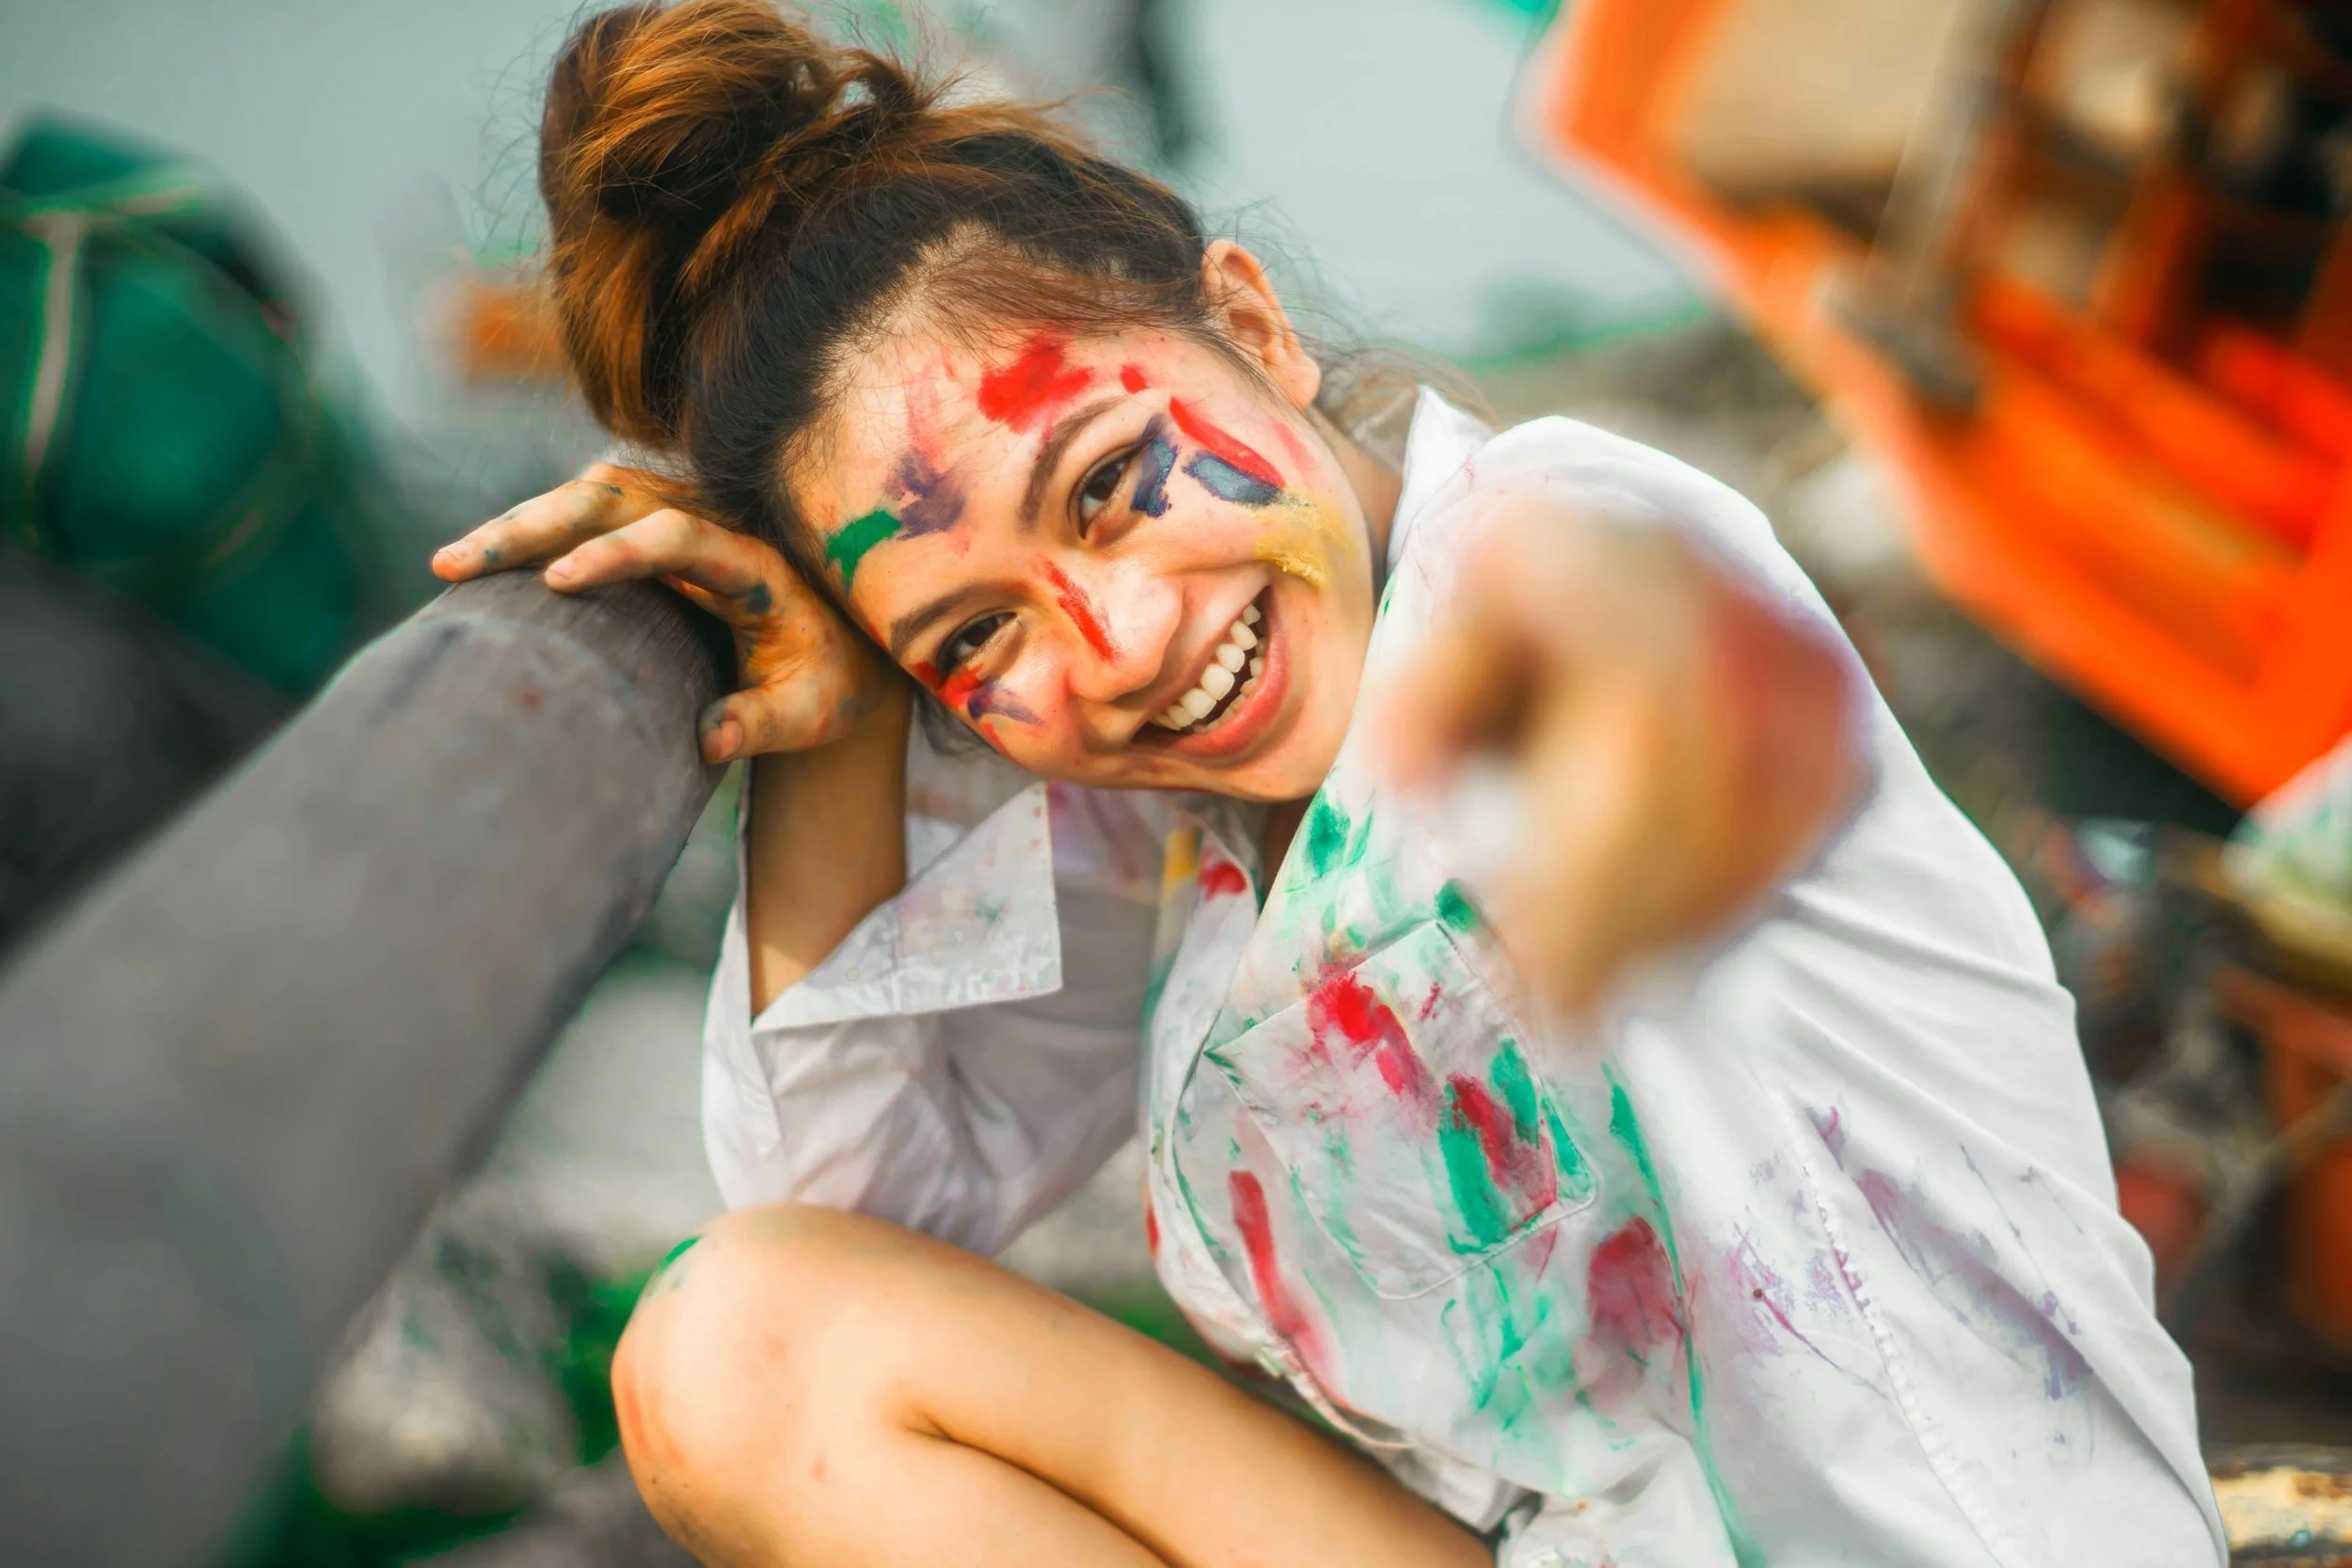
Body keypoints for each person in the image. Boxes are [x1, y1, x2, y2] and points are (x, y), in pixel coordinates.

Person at [435, 4, 2224, 1562]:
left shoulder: (1559, 547)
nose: (1117, 639)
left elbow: (1620, 719)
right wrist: (837, 732)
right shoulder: (1185, 817)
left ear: (1256, 327)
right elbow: (859, 1241)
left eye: (1117, 482)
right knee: (729, 1345)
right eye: (972, 639)